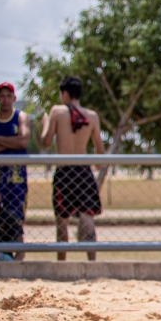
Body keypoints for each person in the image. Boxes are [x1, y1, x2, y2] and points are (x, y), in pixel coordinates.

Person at [40, 76, 103, 261]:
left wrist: (45, 123)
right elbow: (99, 148)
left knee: (62, 220)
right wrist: (96, 166)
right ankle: (92, 263)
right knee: (87, 217)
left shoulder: (57, 111)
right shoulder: (92, 116)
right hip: (83, 171)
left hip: (64, 171)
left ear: (65, 93)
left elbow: (46, 141)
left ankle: (62, 264)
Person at [0, 82, 30, 261]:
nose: (5, 100)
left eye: (8, 96)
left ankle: (15, 261)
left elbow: (23, 141)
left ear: (14, 98)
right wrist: (12, 142)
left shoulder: (21, 117)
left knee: (15, 219)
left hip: (16, 180)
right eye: (1, 96)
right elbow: (17, 142)